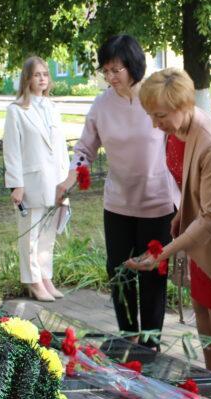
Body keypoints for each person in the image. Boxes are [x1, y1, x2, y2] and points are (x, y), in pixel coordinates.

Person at [125, 68, 211, 376]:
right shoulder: (177, 130)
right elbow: (192, 187)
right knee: (201, 306)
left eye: (159, 115)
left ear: (184, 106)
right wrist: (180, 215)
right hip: (200, 235)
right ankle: (208, 373)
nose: (154, 123)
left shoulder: (210, 143)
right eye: (151, 115)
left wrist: (164, 252)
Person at [56, 35, 178, 349]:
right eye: (106, 71)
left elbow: (177, 140)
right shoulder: (101, 104)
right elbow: (85, 148)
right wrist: (70, 179)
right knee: (119, 272)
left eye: (116, 70)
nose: (110, 78)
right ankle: (128, 336)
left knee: (152, 274)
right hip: (119, 203)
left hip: (157, 202)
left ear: (133, 67)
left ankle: (151, 343)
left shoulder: (155, 98)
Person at [3, 57, 70, 301]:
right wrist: (16, 184)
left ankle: (45, 276)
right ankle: (32, 280)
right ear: (27, 79)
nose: (42, 78)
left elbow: (61, 147)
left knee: (48, 234)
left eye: (45, 74)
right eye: (36, 75)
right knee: (30, 234)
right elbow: (11, 150)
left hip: (55, 181)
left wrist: (65, 180)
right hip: (31, 181)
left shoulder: (52, 108)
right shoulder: (16, 110)